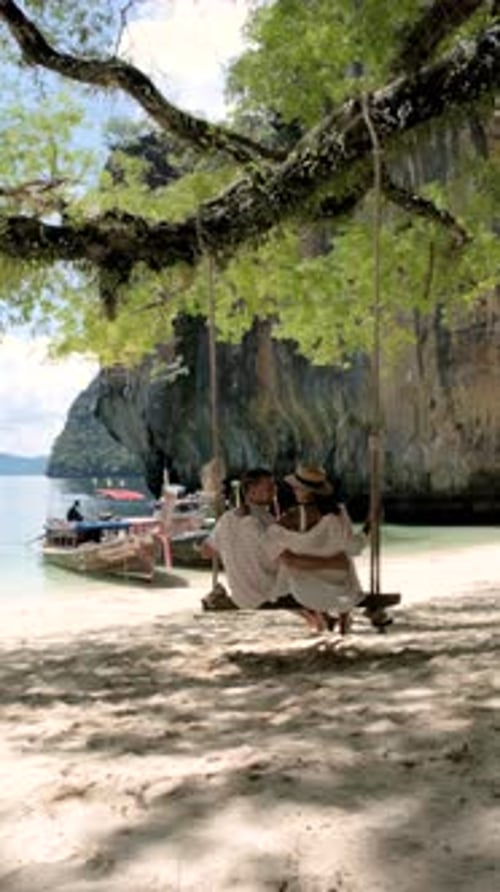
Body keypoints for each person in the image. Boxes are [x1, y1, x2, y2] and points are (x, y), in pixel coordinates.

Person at [201, 468, 347, 626]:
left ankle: (318, 617)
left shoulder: (226, 519)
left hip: (241, 596)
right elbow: (287, 558)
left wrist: (231, 547)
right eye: (269, 487)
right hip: (265, 595)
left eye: (274, 486)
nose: (274, 491)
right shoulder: (264, 522)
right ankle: (326, 614)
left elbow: (206, 552)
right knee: (305, 570)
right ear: (251, 491)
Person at [265, 465, 367, 633]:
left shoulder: (289, 519)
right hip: (340, 591)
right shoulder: (338, 514)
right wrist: (370, 526)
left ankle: (327, 617)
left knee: (287, 561)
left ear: (303, 490)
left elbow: (269, 547)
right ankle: (343, 617)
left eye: (296, 486)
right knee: (345, 558)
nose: (293, 489)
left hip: (305, 593)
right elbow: (354, 547)